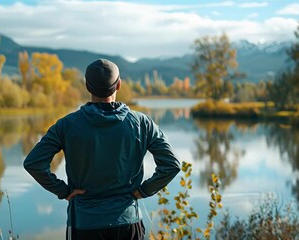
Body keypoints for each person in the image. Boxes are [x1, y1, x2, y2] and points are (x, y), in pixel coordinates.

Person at [23, 58, 181, 240]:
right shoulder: (142, 123)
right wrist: (144, 190)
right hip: (127, 222)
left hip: (84, 224)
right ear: (119, 85)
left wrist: (64, 191)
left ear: (87, 86)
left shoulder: (67, 125)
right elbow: (171, 165)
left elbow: (34, 163)